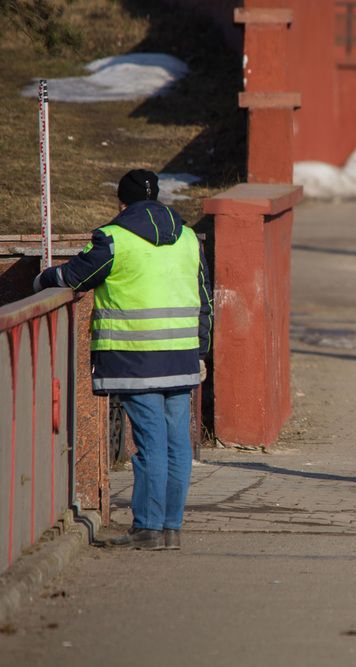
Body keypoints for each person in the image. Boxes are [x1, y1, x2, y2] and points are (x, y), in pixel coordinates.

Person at [34, 169, 213, 550]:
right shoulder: (186, 238)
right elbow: (205, 300)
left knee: (150, 443)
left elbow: (78, 276)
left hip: (136, 358)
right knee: (177, 443)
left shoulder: (114, 238)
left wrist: (42, 279)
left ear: (122, 202)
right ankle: (170, 528)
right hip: (179, 356)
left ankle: (147, 527)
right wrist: (201, 351)